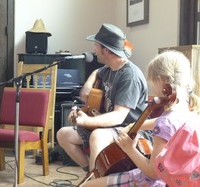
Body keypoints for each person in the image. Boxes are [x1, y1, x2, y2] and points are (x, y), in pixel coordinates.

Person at [81, 50, 200, 187]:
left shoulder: (165, 122)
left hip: (154, 181)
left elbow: (153, 172)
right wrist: (135, 125)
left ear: (160, 80)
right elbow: (170, 124)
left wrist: (129, 148)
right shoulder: (189, 109)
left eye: (152, 82)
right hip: (178, 177)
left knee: (89, 185)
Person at [56, 23, 149, 173]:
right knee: (63, 134)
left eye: (96, 46)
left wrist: (87, 121)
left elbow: (119, 116)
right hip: (109, 126)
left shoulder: (129, 77)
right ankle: (92, 174)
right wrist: (90, 79)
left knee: (97, 136)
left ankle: (94, 181)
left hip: (128, 128)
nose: (94, 50)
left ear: (106, 50)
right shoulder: (109, 68)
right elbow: (98, 72)